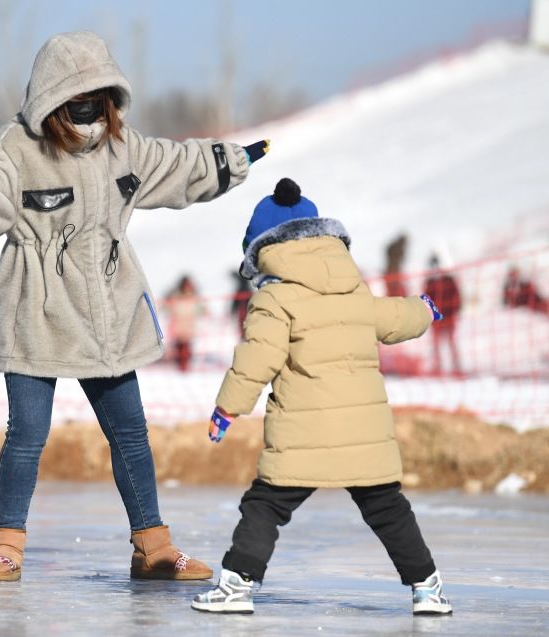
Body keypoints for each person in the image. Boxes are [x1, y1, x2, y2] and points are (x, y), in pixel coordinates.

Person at [0, 31, 252, 582]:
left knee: (131, 433)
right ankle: (7, 546)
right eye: (77, 103)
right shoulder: (17, 150)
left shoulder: (124, 148)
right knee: (26, 435)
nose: (89, 113)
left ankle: (152, 546)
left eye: (98, 100)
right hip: (36, 313)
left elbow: (176, 164)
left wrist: (226, 161)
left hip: (108, 314)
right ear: (52, 102)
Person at [192, 179, 452, 616]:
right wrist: (424, 308)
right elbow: (393, 317)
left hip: (304, 430)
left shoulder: (275, 298)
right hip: (364, 432)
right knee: (388, 509)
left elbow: (259, 357)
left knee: (266, 504)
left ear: (262, 248)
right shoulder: (354, 289)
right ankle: (428, 589)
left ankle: (236, 587)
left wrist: (227, 407)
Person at [423, 255, 463, 376]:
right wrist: (432, 315)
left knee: (451, 343)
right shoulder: (429, 282)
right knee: (436, 345)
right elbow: (426, 299)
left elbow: (456, 297)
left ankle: (456, 368)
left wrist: (454, 312)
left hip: (449, 317)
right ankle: (437, 367)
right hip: (437, 319)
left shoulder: (448, 279)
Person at [166, 275, 204, 372]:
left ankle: (185, 369)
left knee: (186, 349)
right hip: (178, 327)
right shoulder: (175, 297)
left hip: (188, 327)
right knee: (180, 349)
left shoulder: (194, 298)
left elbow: (201, 309)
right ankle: (180, 369)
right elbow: (168, 308)